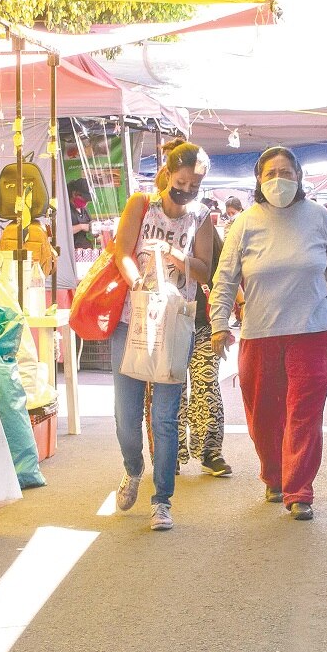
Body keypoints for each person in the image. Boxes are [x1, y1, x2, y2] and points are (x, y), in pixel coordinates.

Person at [211, 146, 327, 521]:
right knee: (263, 415)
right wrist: (218, 325)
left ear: (299, 177)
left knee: (304, 413)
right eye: (270, 174)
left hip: (311, 332)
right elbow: (225, 277)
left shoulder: (318, 218)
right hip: (260, 334)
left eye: (286, 172)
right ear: (259, 181)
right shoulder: (245, 223)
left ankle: (299, 490)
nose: (279, 179)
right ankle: (274, 474)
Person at [111, 139, 213, 532]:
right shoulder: (141, 204)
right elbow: (121, 249)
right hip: (132, 320)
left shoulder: (201, 217)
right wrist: (136, 280)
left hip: (175, 323)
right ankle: (133, 468)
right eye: (182, 181)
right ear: (168, 174)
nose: (186, 191)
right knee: (126, 413)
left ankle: (162, 499)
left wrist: (177, 257)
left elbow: (205, 270)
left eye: (195, 185)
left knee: (165, 416)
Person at [173, 217, 232, 478]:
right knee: (171, 391)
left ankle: (210, 452)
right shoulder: (166, 238)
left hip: (205, 326)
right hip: (171, 327)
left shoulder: (213, 243)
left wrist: (222, 324)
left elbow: (224, 285)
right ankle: (169, 452)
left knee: (206, 387)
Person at [67, 179, 95, 251]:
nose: (86, 202)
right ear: (74, 194)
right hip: (72, 251)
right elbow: (62, 231)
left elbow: (91, 226)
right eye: (85, 199)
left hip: (86, 251)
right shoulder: (65, 209)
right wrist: (81, 226)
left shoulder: (84, 209)